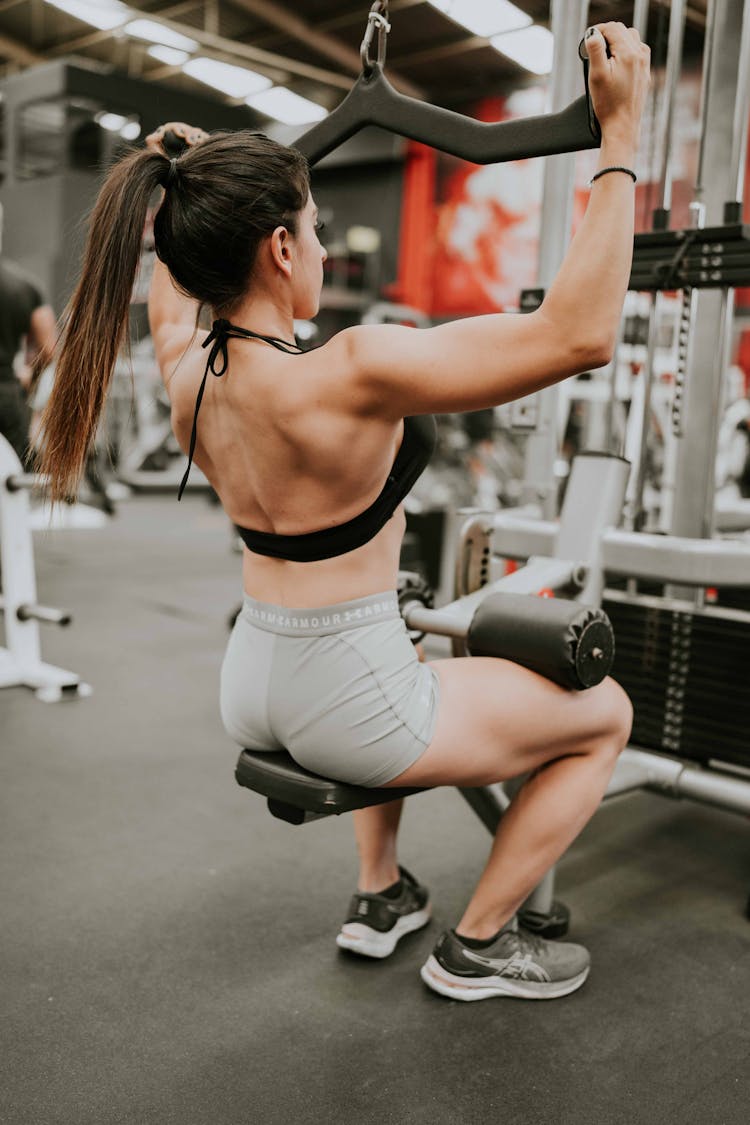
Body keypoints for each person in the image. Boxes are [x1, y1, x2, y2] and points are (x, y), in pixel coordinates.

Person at [38, 24, 650, 1001]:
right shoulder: (355, 368)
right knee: (604, 715)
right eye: (315, 229)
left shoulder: (186, 369)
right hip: (350, 700)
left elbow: (169, 296)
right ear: (280, 249)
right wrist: (621, 141)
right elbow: (577, 337)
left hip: (254, 675)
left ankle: (382, 892)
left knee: (410, 645)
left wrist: (173, 181)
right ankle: (480, 946)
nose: (322, 244)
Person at [0, 211, 57, 467]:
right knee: (14, 479)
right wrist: (29, 376)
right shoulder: (23, 286)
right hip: (6, 396)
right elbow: (49, 348)